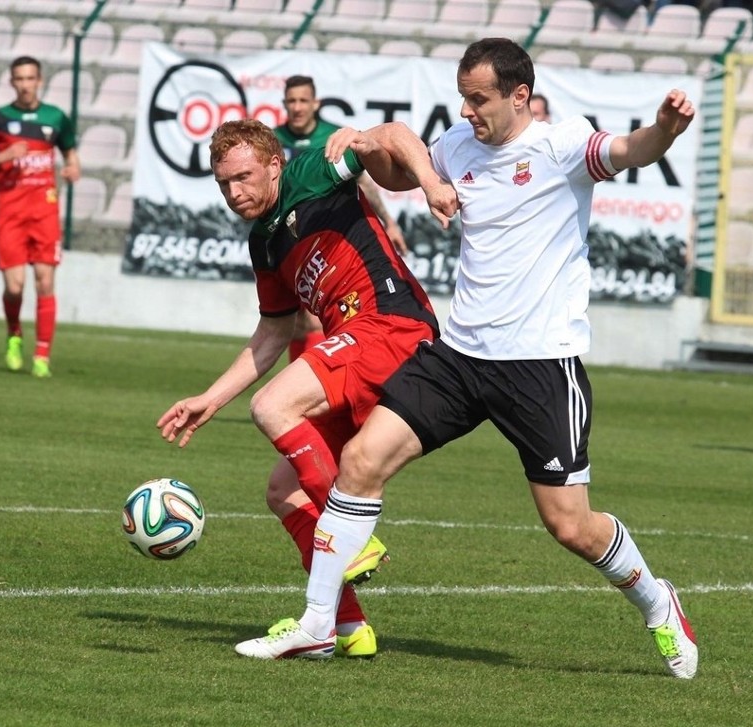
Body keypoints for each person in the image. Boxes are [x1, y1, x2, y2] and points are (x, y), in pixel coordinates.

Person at [235, 37, 700, 680]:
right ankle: (318, 624)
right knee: (360, 460)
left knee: (570, 526)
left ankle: (657, 601)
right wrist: (366, 144)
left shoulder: (563, 144)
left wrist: (667, 129)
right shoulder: (457, 145)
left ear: (519, 97)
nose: (468, 109)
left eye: (478, 98)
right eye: (462, 96)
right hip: (459, 355)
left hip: (539, 367)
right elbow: (398, 169)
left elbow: (630, 149)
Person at [157, 119, 449, 658]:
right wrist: (209, 400)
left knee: (272, 406)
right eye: (223, 183)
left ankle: (356, 541)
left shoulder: (313, 173)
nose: (233, 192)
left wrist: (429, 182)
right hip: (355, 347)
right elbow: (272, 333)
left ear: (274, 165)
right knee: (283, 492)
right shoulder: (263, 242)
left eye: (243, 177)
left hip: (391, 326)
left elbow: (394, 135)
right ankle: (346, 627)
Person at [274, 74, 408, 361]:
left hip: (327, 239)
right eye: (291, 101)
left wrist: (390, 223)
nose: (297, 107)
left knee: (317, 318)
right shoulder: (275, 141)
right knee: (295, 326)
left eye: (302, 100)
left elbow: (364, 182)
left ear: (315, 103)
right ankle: (305, 388)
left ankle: (318, 387)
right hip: (287, 243)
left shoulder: (334, 136)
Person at [0, 55, 81, 378]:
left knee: (45, 281)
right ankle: (14, 333)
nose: (24, 84)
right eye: (19, 79)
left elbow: (70, 154)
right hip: (10, 212)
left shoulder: (56, 117)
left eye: (30, 78)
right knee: (15, 287)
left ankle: (42, 355)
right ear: (12, 82)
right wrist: (3, 156)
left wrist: (74, 168)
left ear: (39, 80)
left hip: (44, 212)